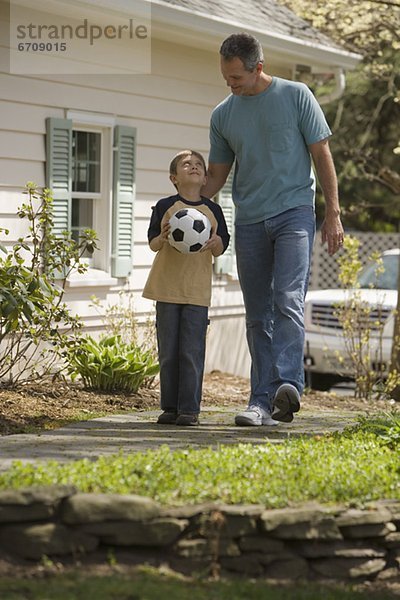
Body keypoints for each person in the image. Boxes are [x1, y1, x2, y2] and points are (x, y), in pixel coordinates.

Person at [201, 32, 344, 427]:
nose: (230, 85)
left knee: (286, 298)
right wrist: (183, 199)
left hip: (295, 212)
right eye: (226, 78)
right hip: (248, 220)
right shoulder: (223, 115)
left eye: (236, 78)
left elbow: (321, 154)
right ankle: (261, 402)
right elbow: (215, 177)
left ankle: (288, 387)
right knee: (256, 314)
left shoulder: (297, 96)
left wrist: (332, 213)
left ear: (258, 67)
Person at [143, 150, 230, 426]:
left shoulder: (213, 210)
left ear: (205, 178)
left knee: (191, 352)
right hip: (166, 289)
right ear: (174, 178)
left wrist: (217, 244)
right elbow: (153, 243)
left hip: (196, 293)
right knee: (168, 351)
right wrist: (164, 237)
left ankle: (190, 410)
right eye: (186, 164)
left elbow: (220, 247)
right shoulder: (165, 206)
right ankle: (170, 407)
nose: (193, 167)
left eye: (198, 165)